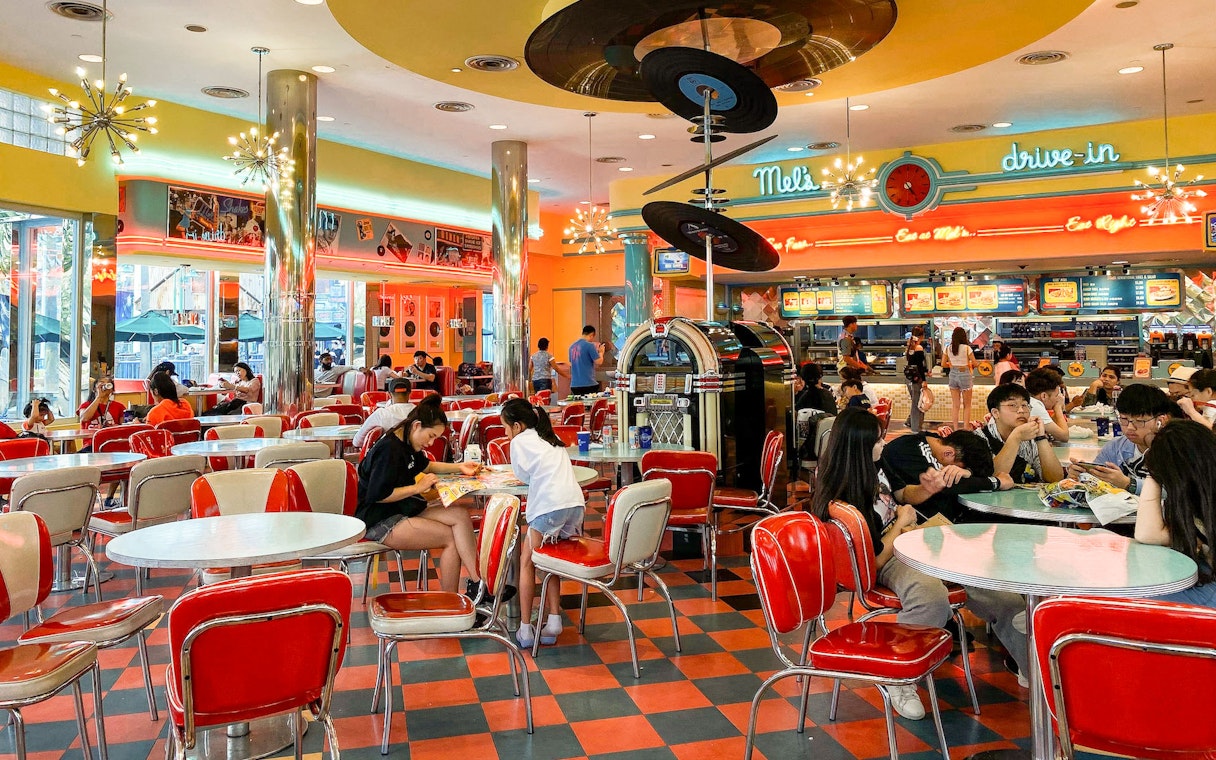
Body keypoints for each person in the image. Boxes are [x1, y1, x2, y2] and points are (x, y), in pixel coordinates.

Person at [810, 408, 1030, 719]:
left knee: (1000, 591)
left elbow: (902, 493)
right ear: (858, 445)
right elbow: (871, 563)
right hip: (889, 555)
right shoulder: (844, 493)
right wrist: (900, 524)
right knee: (930, 595)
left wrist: (926, 489)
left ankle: (1032, 670)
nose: (883, 444)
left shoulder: (876, 464)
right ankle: (899, 676)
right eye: (877, 440)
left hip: (911, 538)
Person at [355, 396, 483, 594]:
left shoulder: (407, 441)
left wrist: (459, 467)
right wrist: (416, 488)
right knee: (450, 538)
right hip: (380, 520)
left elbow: (428, 465)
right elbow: (377, 495)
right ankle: (450, 603)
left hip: (403, 508)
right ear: (416, 426)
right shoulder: (389, 449)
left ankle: (478, 583)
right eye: (431, 436)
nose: (431, 443)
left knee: (459, 515)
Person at [499, 399, 586, 648]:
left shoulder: (519, 442)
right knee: (550, 559)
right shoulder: (550, 437)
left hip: (549, 505)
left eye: (506, 427)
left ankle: (525, 629)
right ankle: (554, 618)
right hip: (574, 504)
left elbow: (521, 475)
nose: (506, 433)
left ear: (517, 426)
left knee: (527, 563)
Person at [1134, 420, 1216, 607]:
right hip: (1208, 575)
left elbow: (1146, 534)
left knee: (1148, 599)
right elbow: (1148, 533)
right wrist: (1152, 470)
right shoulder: (1200, 498)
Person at [881, 428, 1014, 521]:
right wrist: (996, 482)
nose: (956, 473)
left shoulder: (936, 442)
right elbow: (946, 485)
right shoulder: (910, 449)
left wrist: (968, 472)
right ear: (949, 454)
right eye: (958, 468)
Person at [1067, 383, 1173, 495]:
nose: (1130, 427)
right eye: (1124, 419)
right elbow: (1096, 486)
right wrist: (1081, 476)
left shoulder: (1176, 449)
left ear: (1161, 420)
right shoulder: (1115, 447)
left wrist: (1129, 484)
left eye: (1139, 421)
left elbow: (1178, 491)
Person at [978, 384, 1065, 483]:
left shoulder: (1030, 439)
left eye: (1024, 405)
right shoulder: (978, 438)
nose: (1021, 410)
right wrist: (1015, 437)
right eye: (1012, 405)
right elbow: (993, 478)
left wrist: (1040, 437)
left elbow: (1055, 479)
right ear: (995, 413)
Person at [353, 378, 414, 448]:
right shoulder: (420, 412)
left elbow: (357, 442)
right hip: (417, 457)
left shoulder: (381, 414)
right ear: (410, 393)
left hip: (389, 456)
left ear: (389, 394)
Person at [941, 327, 975, 429]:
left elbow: (943, 364)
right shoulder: (967, 348)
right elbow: (974, 362)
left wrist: (951, 366)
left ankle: (955, 429)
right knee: (967, 405)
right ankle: (965, 429)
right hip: (964, 374)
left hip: (953, 375)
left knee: (955, 405)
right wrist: (972, 364)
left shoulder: (948, 348)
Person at [1025, 367, 1070, 442]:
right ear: (1044, 396)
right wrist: (1058, 408)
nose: (1057, 399)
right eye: (1056, 395)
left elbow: (1051, 425)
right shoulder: (1035, 405)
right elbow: (1064, 437)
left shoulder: (1029, 400)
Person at [904, 326, 929, 432]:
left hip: (909, 377)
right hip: (916, 378)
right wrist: (924, 380)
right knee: (917, 404)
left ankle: (913, 424)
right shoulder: (918, 348)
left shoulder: (909, 346)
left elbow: (913, 363)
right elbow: (919, 365)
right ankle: (915, 428)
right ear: (921, 336)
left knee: (916, 402)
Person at [569, 325, 605, 396]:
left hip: (574, 385)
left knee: (579, 406)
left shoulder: (572, 347)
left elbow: (571, 363)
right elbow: (599, 362)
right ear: (591, 335)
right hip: (588, 383)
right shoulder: (589, 346)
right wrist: (601, 352)